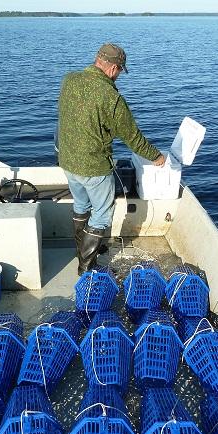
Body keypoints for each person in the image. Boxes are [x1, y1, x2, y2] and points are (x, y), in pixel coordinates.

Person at [57, 42, 166, 275]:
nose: (118, 77)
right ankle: (87, 267)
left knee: (81, 206)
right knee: (102, 214)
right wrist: (157, 157)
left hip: (67, 160)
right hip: (94, 166)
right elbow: (133, 138)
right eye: (119, 72)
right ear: (114, 68)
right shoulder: (111, 97)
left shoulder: (69, 79)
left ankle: (84, 249)